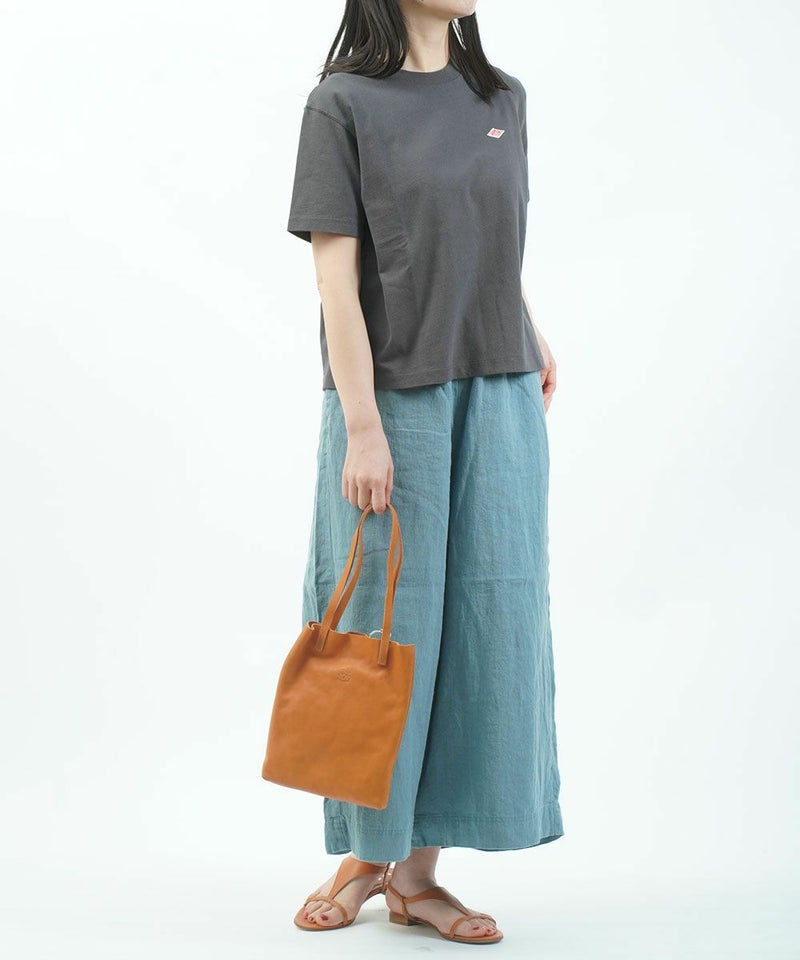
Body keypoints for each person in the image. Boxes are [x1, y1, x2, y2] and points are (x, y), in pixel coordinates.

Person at [285, 0, 564, 944]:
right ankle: (365, 854)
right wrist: (362, 425)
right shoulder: (342, 104)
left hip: (499, 386)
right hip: (393, 396)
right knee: (384, 623)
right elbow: (335, 279)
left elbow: (487, 240)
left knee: (486, 623)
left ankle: (417, 875)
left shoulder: (502, 97)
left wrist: (526, 328)